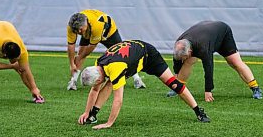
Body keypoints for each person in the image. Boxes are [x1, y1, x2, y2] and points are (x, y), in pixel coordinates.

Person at [78, 40, 210, 129]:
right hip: (133, 56)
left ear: (97, 79)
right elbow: (95, 91)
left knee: (174, 84)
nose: (96, 85)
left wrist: (109, 123)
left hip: (148, 55)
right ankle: (93, 115)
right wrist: (86, 112)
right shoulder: (98, 63)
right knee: (109, 84)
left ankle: (199, 111)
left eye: (95, 83)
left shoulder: (115, 68)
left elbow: (118, 100)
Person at [168, 21, 263, 102]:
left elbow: (208, 68)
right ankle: (179, 87)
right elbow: (177, 61)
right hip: (207, 34)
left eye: (185, 56)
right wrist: (175, 83)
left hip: (223, 34)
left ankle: (255, 88)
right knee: (187, 62)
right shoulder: (179, 44)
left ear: (190, 51)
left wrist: (208, 91)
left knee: (234, 62)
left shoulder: (203, 48)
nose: (183, 58)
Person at [66, 10, 146, 90]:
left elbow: (90, 48)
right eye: (76, 31)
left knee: (123, 56)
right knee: (80, 53)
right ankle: (73, 81)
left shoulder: (96, 25)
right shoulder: (72, 26)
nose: (78, 32)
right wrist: (71, 64)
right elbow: (71, 45)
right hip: (89, 30)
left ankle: (137, 79)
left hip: (109, 32)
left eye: (80, 29)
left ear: (85, 23)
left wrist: (79, 57)